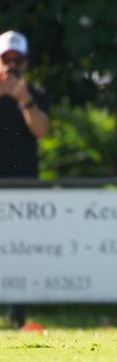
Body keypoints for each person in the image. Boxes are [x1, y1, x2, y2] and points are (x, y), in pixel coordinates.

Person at [0, 30, 49, 329]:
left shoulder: (36, 94)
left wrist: (24, 99)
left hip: (24, 186)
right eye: (6, 59)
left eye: (17, 60)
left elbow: (41, 130)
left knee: (21, 249)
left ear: (26, 63)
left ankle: (18, 312)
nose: (12, 66)